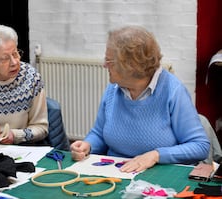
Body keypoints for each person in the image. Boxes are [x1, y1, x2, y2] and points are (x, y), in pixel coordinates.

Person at [70, 25, 210, 173]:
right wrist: (88, 145)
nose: (104, 65)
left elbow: (200, 146)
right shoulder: (114, 88)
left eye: (109, 61)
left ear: (130, 66)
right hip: (115, 172)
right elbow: (99, 133)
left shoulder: (173, 91)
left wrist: (156, 155)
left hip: (159, 174)